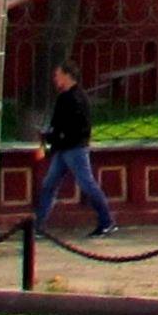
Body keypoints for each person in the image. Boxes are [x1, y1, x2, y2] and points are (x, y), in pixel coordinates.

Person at [30, 63, 113, 236]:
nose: (55, 78)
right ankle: (38, 225)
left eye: (58, 75)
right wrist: (51, 137)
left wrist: (54, 137)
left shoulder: (77, 98)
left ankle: (107, 221)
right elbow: (59, 125)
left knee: (86, 185)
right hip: (63, 150)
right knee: (49, 185)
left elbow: (79, 127)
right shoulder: (65, 97)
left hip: (75, 150)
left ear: (67, 76)